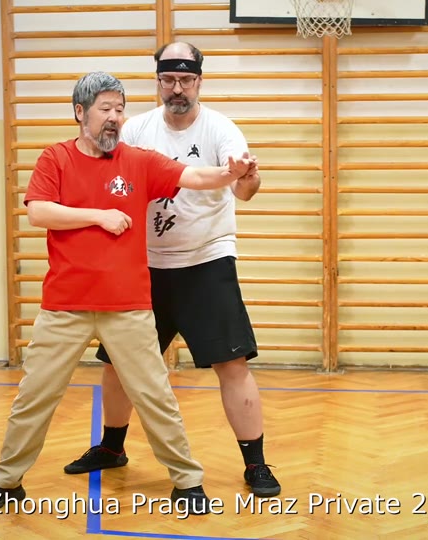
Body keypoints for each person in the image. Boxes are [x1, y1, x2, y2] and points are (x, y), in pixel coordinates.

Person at [0, 71, 257, 515]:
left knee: (155, 396)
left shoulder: (139, 161)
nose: (115, 118)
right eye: (105, 109)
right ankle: (5, 481)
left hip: (128, 306)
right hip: (65, 305)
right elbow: (39, 212)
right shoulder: (56, 158)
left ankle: (188, 481)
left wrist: (229, 173)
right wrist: (99, 216)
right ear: (80, 112)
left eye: (120, 110)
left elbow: (195, 177)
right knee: (34, 396)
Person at [63, 42, 281, 498]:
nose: (177, 88)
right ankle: (111, 447)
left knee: (232, 364)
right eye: (168, 80)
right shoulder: (136, 128)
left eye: (185, 80)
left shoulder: (220, 128)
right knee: (118, 362)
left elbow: (244, 189)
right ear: (158, 81)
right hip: (144, 265)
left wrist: (247, 176)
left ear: (199, 81)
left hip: (206, 260)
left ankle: (256, 464)